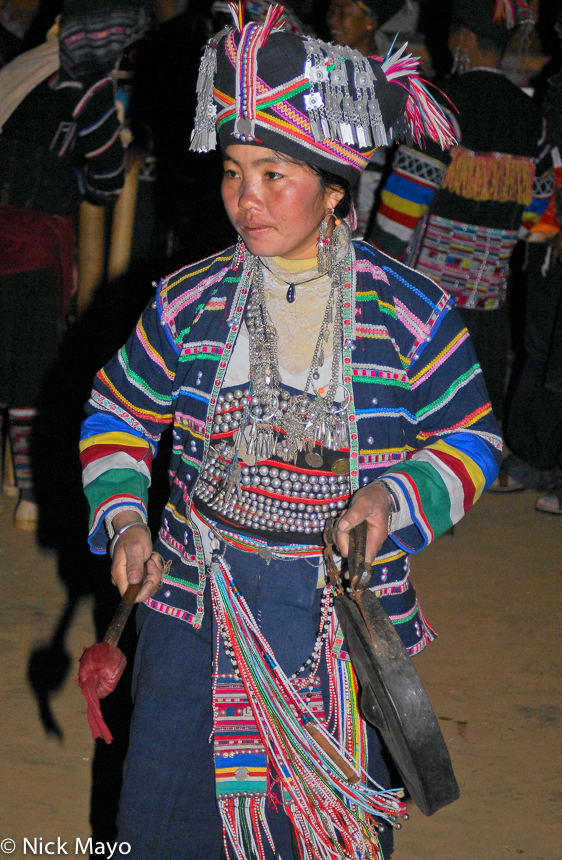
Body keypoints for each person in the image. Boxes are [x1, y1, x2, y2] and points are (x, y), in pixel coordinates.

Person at [80, 5, 501, 858]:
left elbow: (470, 441)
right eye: (235, 172)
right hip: (197, 604)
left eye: (276, 174)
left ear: (337, 186)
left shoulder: (410, 314)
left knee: (320, 831)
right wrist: (126, 520)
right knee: (163, 826)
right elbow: (117, 414)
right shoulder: (188, 302)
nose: (247, 199)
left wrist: (390, 495)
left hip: (331, 618)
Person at [370, 0, 553, 421]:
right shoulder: (530, 116)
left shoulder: (442, 102)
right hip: (487, 297)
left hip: (427, 298)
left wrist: (378, 264)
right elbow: (537, 218)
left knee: (414, 401)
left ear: (464, 38)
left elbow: (403, 203)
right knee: (472, 405)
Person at [0, 5, 128, 529]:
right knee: (31, 368)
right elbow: (108, 178)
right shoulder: (84, 81)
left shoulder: (20, 66)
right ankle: (31, 495)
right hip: (28, 242)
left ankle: (12, 476)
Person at [493, 0, 562, 513]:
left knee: (552, 346)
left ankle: (554, 464)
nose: (556, 30)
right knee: (545, 345)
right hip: (553, 236)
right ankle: (535, 457)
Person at [327, 0, 405, 237]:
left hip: (369, 209)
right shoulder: (317, 70)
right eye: (331, 10)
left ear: (371, 21)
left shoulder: (392, 81)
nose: (332, 19)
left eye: (343, 11)